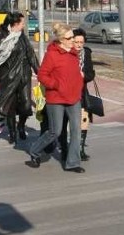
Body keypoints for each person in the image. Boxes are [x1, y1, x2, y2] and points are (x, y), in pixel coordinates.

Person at [28, 23, 86, 173]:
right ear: (61, 40)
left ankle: (72, 162)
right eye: (70, 37)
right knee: (56, 131)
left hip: (74, 98)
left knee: (76, 130)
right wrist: (56, 85)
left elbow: (74, 73)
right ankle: (35, 150)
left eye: (73, 36)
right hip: (56, 99)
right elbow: (42, 75)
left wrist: (78, 82)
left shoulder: (74, 53)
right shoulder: (52, 55)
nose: (73, 40)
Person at [0, 12, 39, 145]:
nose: (24, 25)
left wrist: (40, 73)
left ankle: (21, 126)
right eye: (22, 23)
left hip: (24, 75)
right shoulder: (2, 38)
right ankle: (12, 132)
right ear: (14, 24)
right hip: (8, 76)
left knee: (26, 105)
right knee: (10, 107)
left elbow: (31, 55)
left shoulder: (22, 37)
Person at [59, 28, 95, 162]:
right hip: (64, 93)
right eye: (77, 42)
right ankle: (64, 148)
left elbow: (91, 73)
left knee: (83, 120)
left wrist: (83, 75)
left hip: (81, 92)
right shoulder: (65, 53)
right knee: (63, 122)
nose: (79, 45)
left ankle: (80, 149)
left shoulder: (86, 53)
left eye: (82, 42)